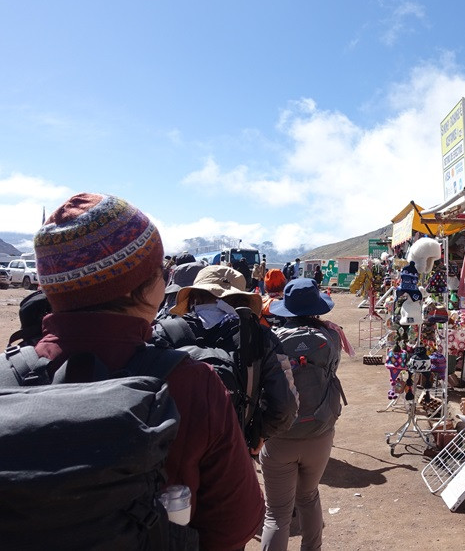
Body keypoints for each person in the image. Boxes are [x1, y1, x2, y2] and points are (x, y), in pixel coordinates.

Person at [29, 193, 264, 550]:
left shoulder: (9, 379)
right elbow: (237, 523)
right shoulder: (191, 384)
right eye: (160, 272)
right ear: (139, 286)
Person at [158, 265, 300, 454]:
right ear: (241, 298)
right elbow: (286, 405)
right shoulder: (260, 336)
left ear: (193, 296)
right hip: (233, 449)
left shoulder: (164, 332)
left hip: (171, 453)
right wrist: (260, 432)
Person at [260, 278, 353, 551]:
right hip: (319, 431)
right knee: (309, 496)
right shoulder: (331, 336)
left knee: (277, 512)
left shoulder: (272, 339)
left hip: (279, 435)